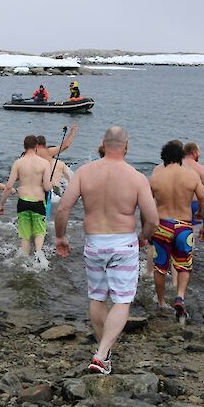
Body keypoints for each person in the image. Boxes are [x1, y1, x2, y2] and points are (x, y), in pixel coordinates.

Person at [54, 126, 158, 375]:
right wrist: (144, 237)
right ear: (126, 146)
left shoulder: (85, 172)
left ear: (103, 143)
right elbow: (152, 219)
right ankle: (101, 354)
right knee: (122, 301)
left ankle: (104, 353)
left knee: (97, 297)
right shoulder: (136, 177)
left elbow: (63, 209)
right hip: (123, 243)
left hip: (95, 242)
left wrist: (61, 237)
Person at [149, 141, 204, 320]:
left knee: (160, 267)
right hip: (184, 226)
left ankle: (161, 302)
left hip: (162, 225)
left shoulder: (155, 177)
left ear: (164, 157)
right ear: (181, 157)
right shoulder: (191, 176)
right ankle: (180, 297)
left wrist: (146, 231)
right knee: (184, 266)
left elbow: (146, 206)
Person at [0, 135, 52, 261]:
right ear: (36, 147)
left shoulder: (18, 163)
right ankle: (39, 257)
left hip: (23, 202)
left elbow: (8, 186)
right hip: (38, 202)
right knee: (39, 232)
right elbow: (47, 187)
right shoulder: (44, 163)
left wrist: (1, 204)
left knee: (25, 236)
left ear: (24, 146)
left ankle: (24, 260)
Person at [183, 142, 204, 223]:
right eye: (198, 152)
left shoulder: (176, 164)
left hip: (176, 203)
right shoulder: (200, 168)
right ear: (194, 153)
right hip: (193, 204)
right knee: (189, 229)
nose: (200, 155)